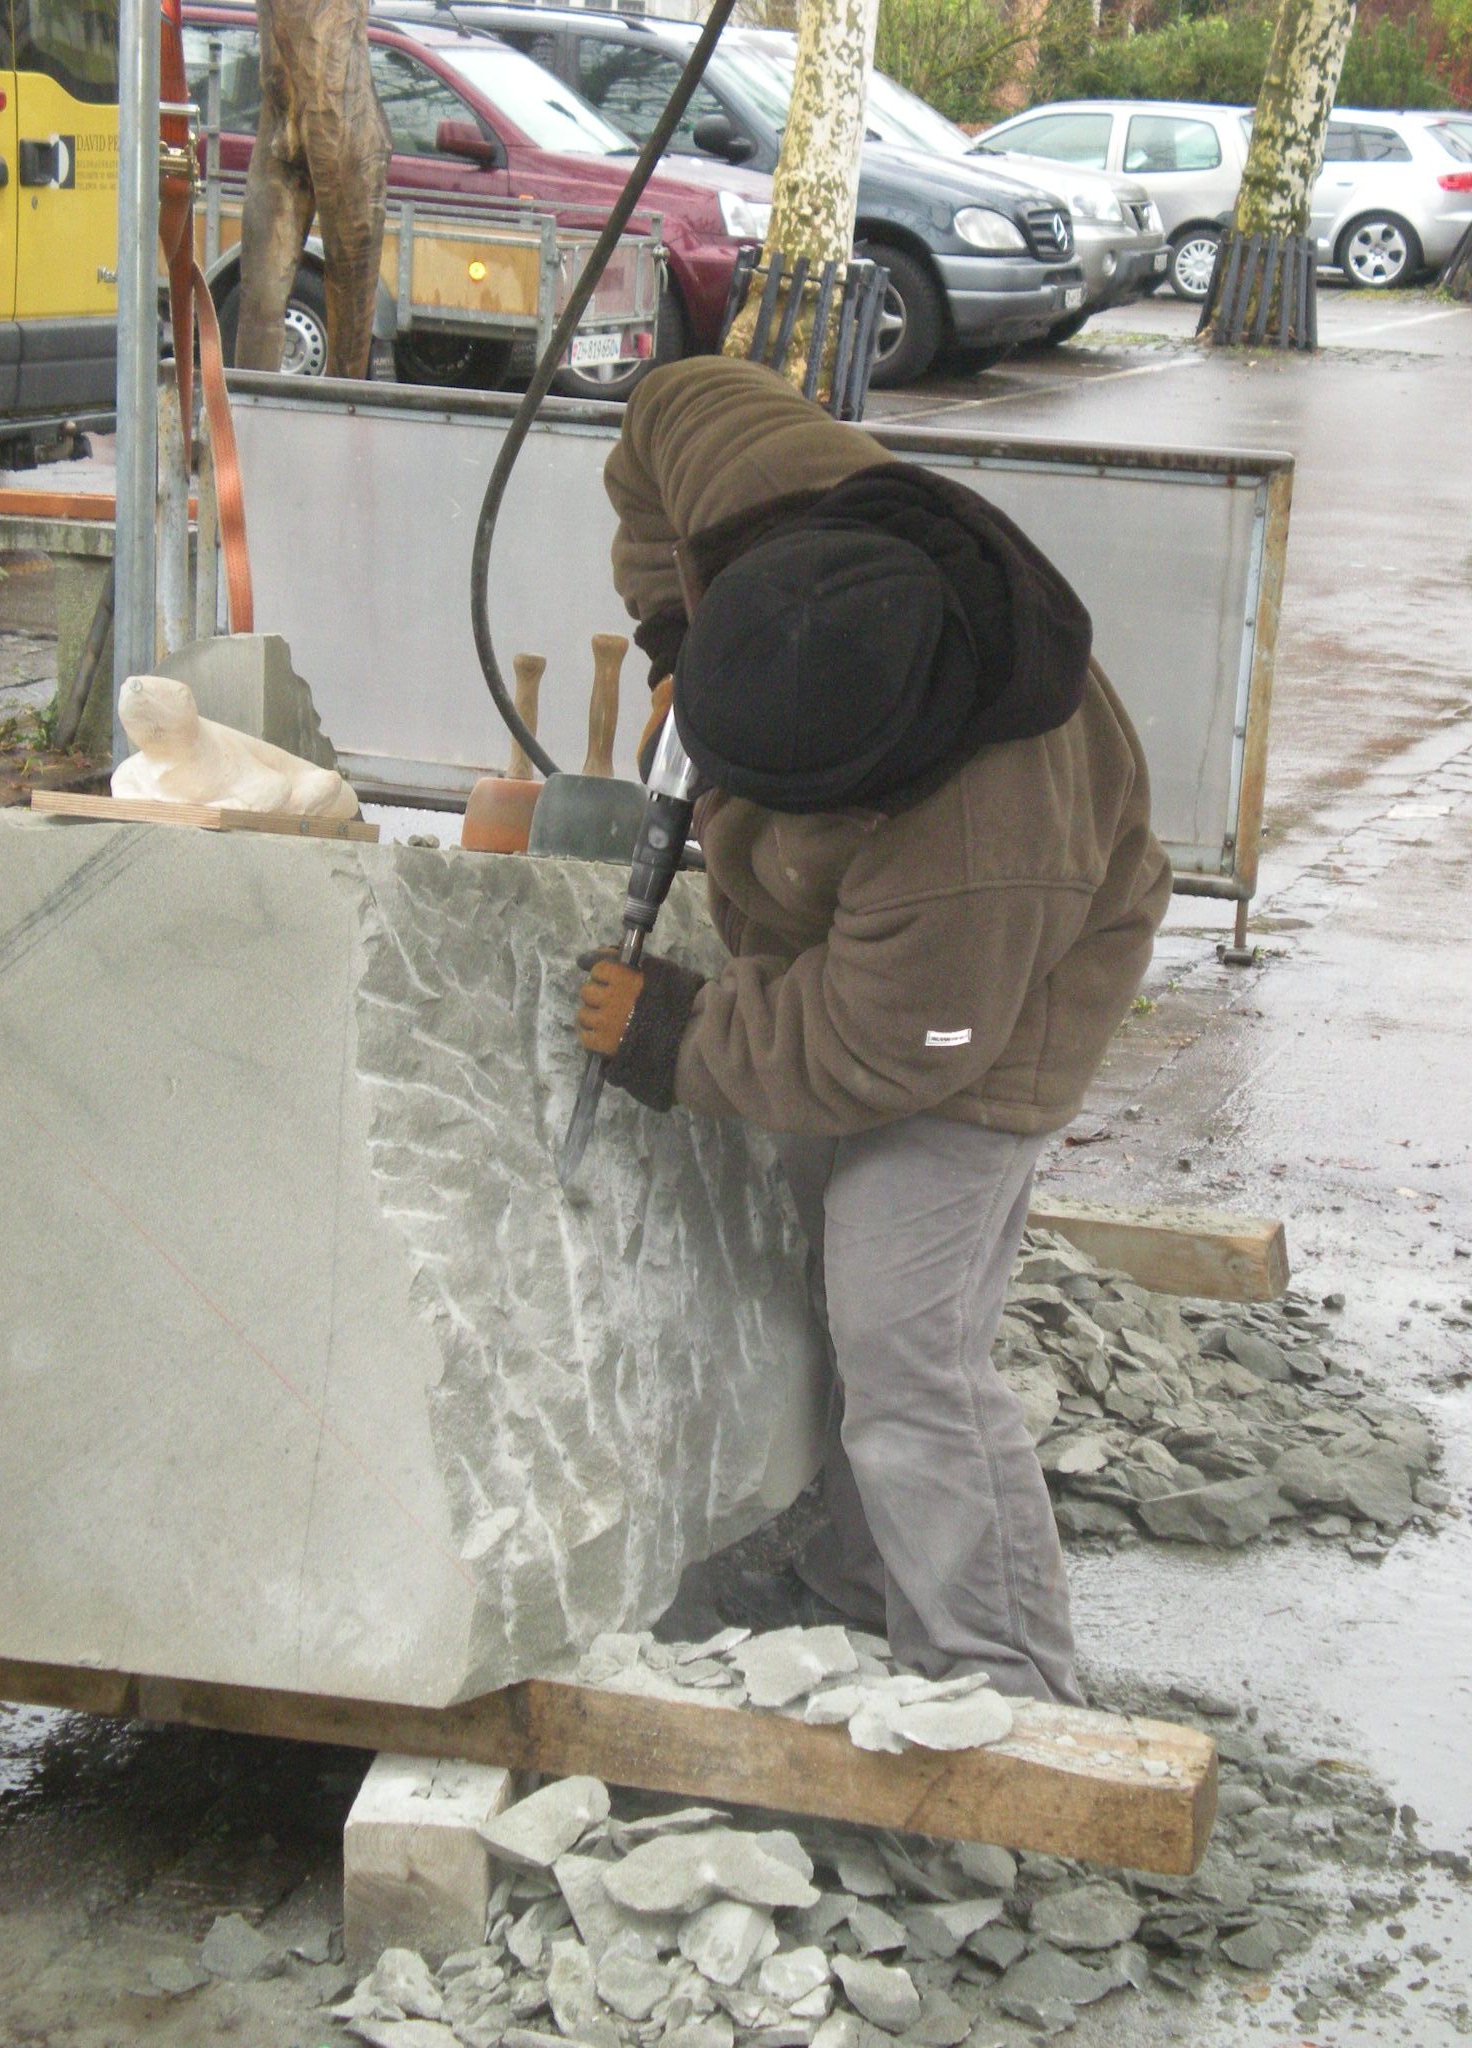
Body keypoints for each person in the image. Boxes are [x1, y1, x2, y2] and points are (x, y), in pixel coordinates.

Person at [575, 357, 1170, 1704]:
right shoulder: (763, 496)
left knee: (903, 1335)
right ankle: (849, 1578)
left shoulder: (977, 841)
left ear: (873, 784)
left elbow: (880, 1047)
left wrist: (678, 1037)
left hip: (1003, 996)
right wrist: (680, 630)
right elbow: (667, 405)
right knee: (818, 1271)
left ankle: (1003, 1680)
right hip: (854, 943)